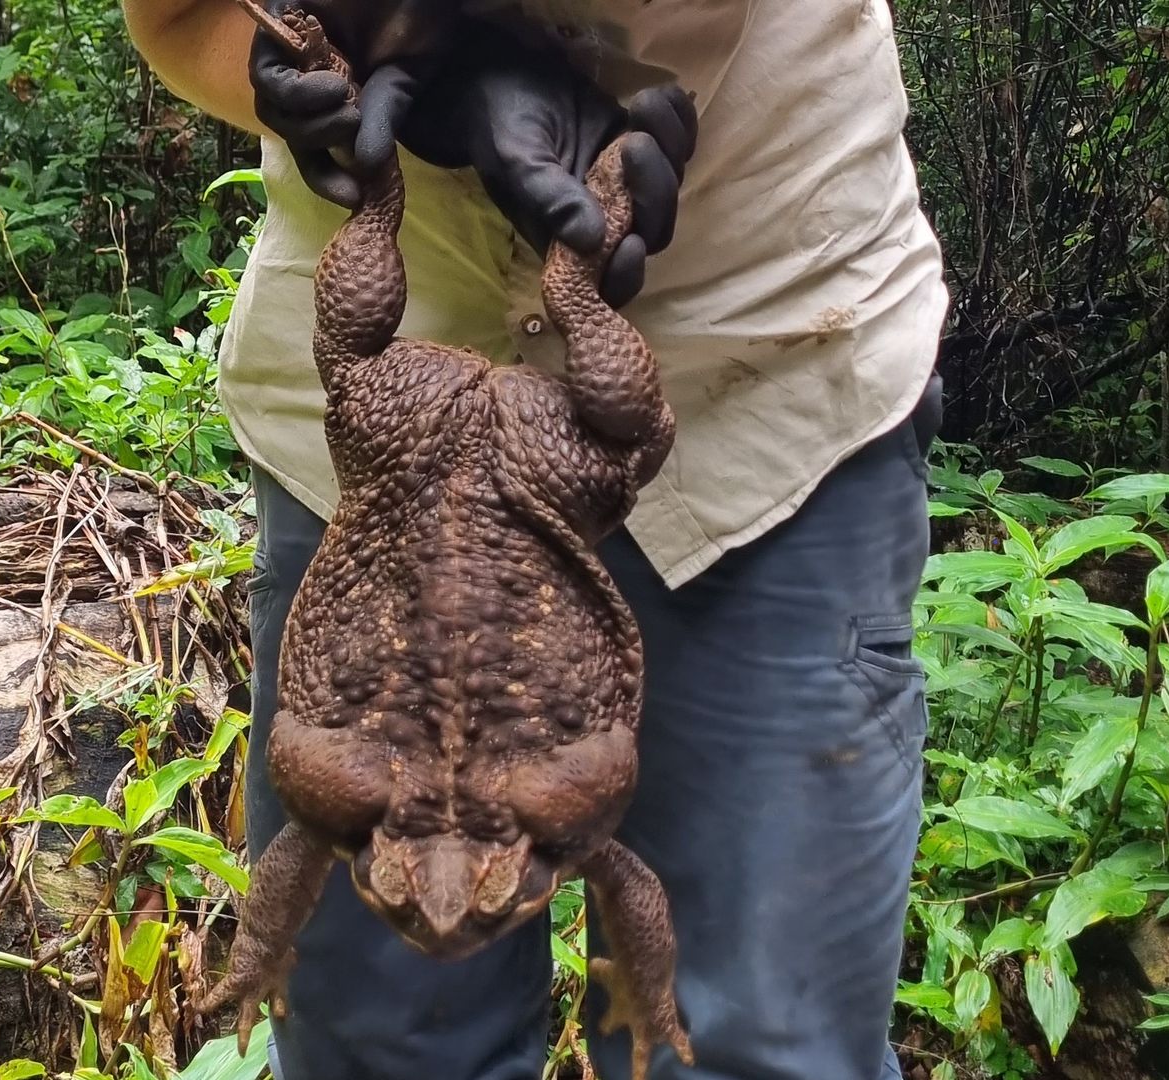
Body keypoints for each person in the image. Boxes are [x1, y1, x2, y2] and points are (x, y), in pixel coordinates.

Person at [122, 1, 949, 1077]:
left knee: (753, 1046)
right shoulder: (412, 819)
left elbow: (608, 857)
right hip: (397, 432)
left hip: (756, 357)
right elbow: (181, 12)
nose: (452, 913)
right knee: (375, 1051)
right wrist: (355, 78)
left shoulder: (488, 817)